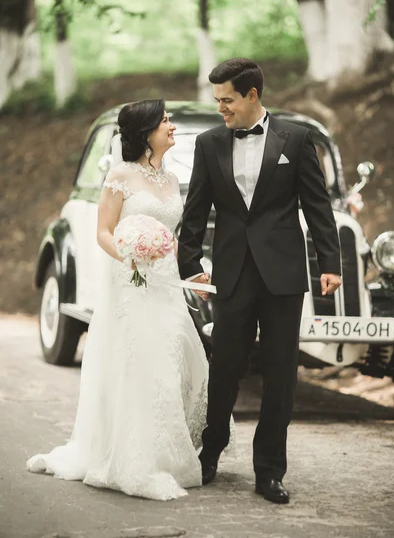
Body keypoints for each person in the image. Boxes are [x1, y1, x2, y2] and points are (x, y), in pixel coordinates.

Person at [26, 99, 210, 501]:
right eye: (166, 121)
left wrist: (191, 274)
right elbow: (104, 231)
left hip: (165, 285)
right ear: (147, 132)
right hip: (130, 282)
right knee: (140, 363)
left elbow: (172, 238)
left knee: (175, 359)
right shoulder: (119, 175)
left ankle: (167, 453)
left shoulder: (171, 177)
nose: (172, 126)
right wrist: (131, 255)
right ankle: (135, 460)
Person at [178, 58, 342, 504]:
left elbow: (317, 204)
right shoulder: (210, 143)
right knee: (226, 368)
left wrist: (331, 262)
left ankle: (269, 470)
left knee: (281, 373)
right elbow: (195, 208)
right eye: (217, 101)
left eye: (226, 99)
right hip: (231, 272)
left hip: (284, 274)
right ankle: (209, 453)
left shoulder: (298, 138)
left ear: (252, 95)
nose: (221, 109)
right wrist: (189, 263)